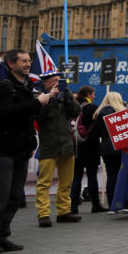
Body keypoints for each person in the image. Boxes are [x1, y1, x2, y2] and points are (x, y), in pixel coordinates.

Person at [0, 49, 54, 254]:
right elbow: (6, 113)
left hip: (21, 150)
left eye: (29, 60)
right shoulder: (3, 87)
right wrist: (36, 102)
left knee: (14, 196)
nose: (28, 63)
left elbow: (29, 117)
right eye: (23, 61)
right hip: (2, 150)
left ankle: (2, 235)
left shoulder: (28, 86)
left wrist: (43, 104)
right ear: (11, 64)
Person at [34, 70, 82, 226]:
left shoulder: (63, 97)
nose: (57, 83)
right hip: (49, 145)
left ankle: (64, 211)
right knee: (44, 183)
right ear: (45, 83)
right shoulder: (39, 98)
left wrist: (69, 99)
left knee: (66, 182)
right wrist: (51, 96)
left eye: (58, 80)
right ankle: (43, 214)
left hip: (66, 145)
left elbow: (75, 113)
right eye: (53, 80)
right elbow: (39, 116)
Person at [71, 86, 106, 213]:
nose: (94, 96)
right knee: (92, 176)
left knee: (76, 177)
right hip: (91, 146)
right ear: (88, 94)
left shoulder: (74, 106)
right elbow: (99, 128)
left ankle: (73, 207)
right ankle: (95, 205)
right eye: (93, 94)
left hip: (76, 146)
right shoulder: (92, 108)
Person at [94, 91, 128, 212]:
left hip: (105, 147)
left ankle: (112, 204)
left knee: (111, 175)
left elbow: (97, 132)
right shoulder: (120, 112)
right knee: (122, 175)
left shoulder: (99, 113)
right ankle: (123, 202)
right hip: (120, 146)